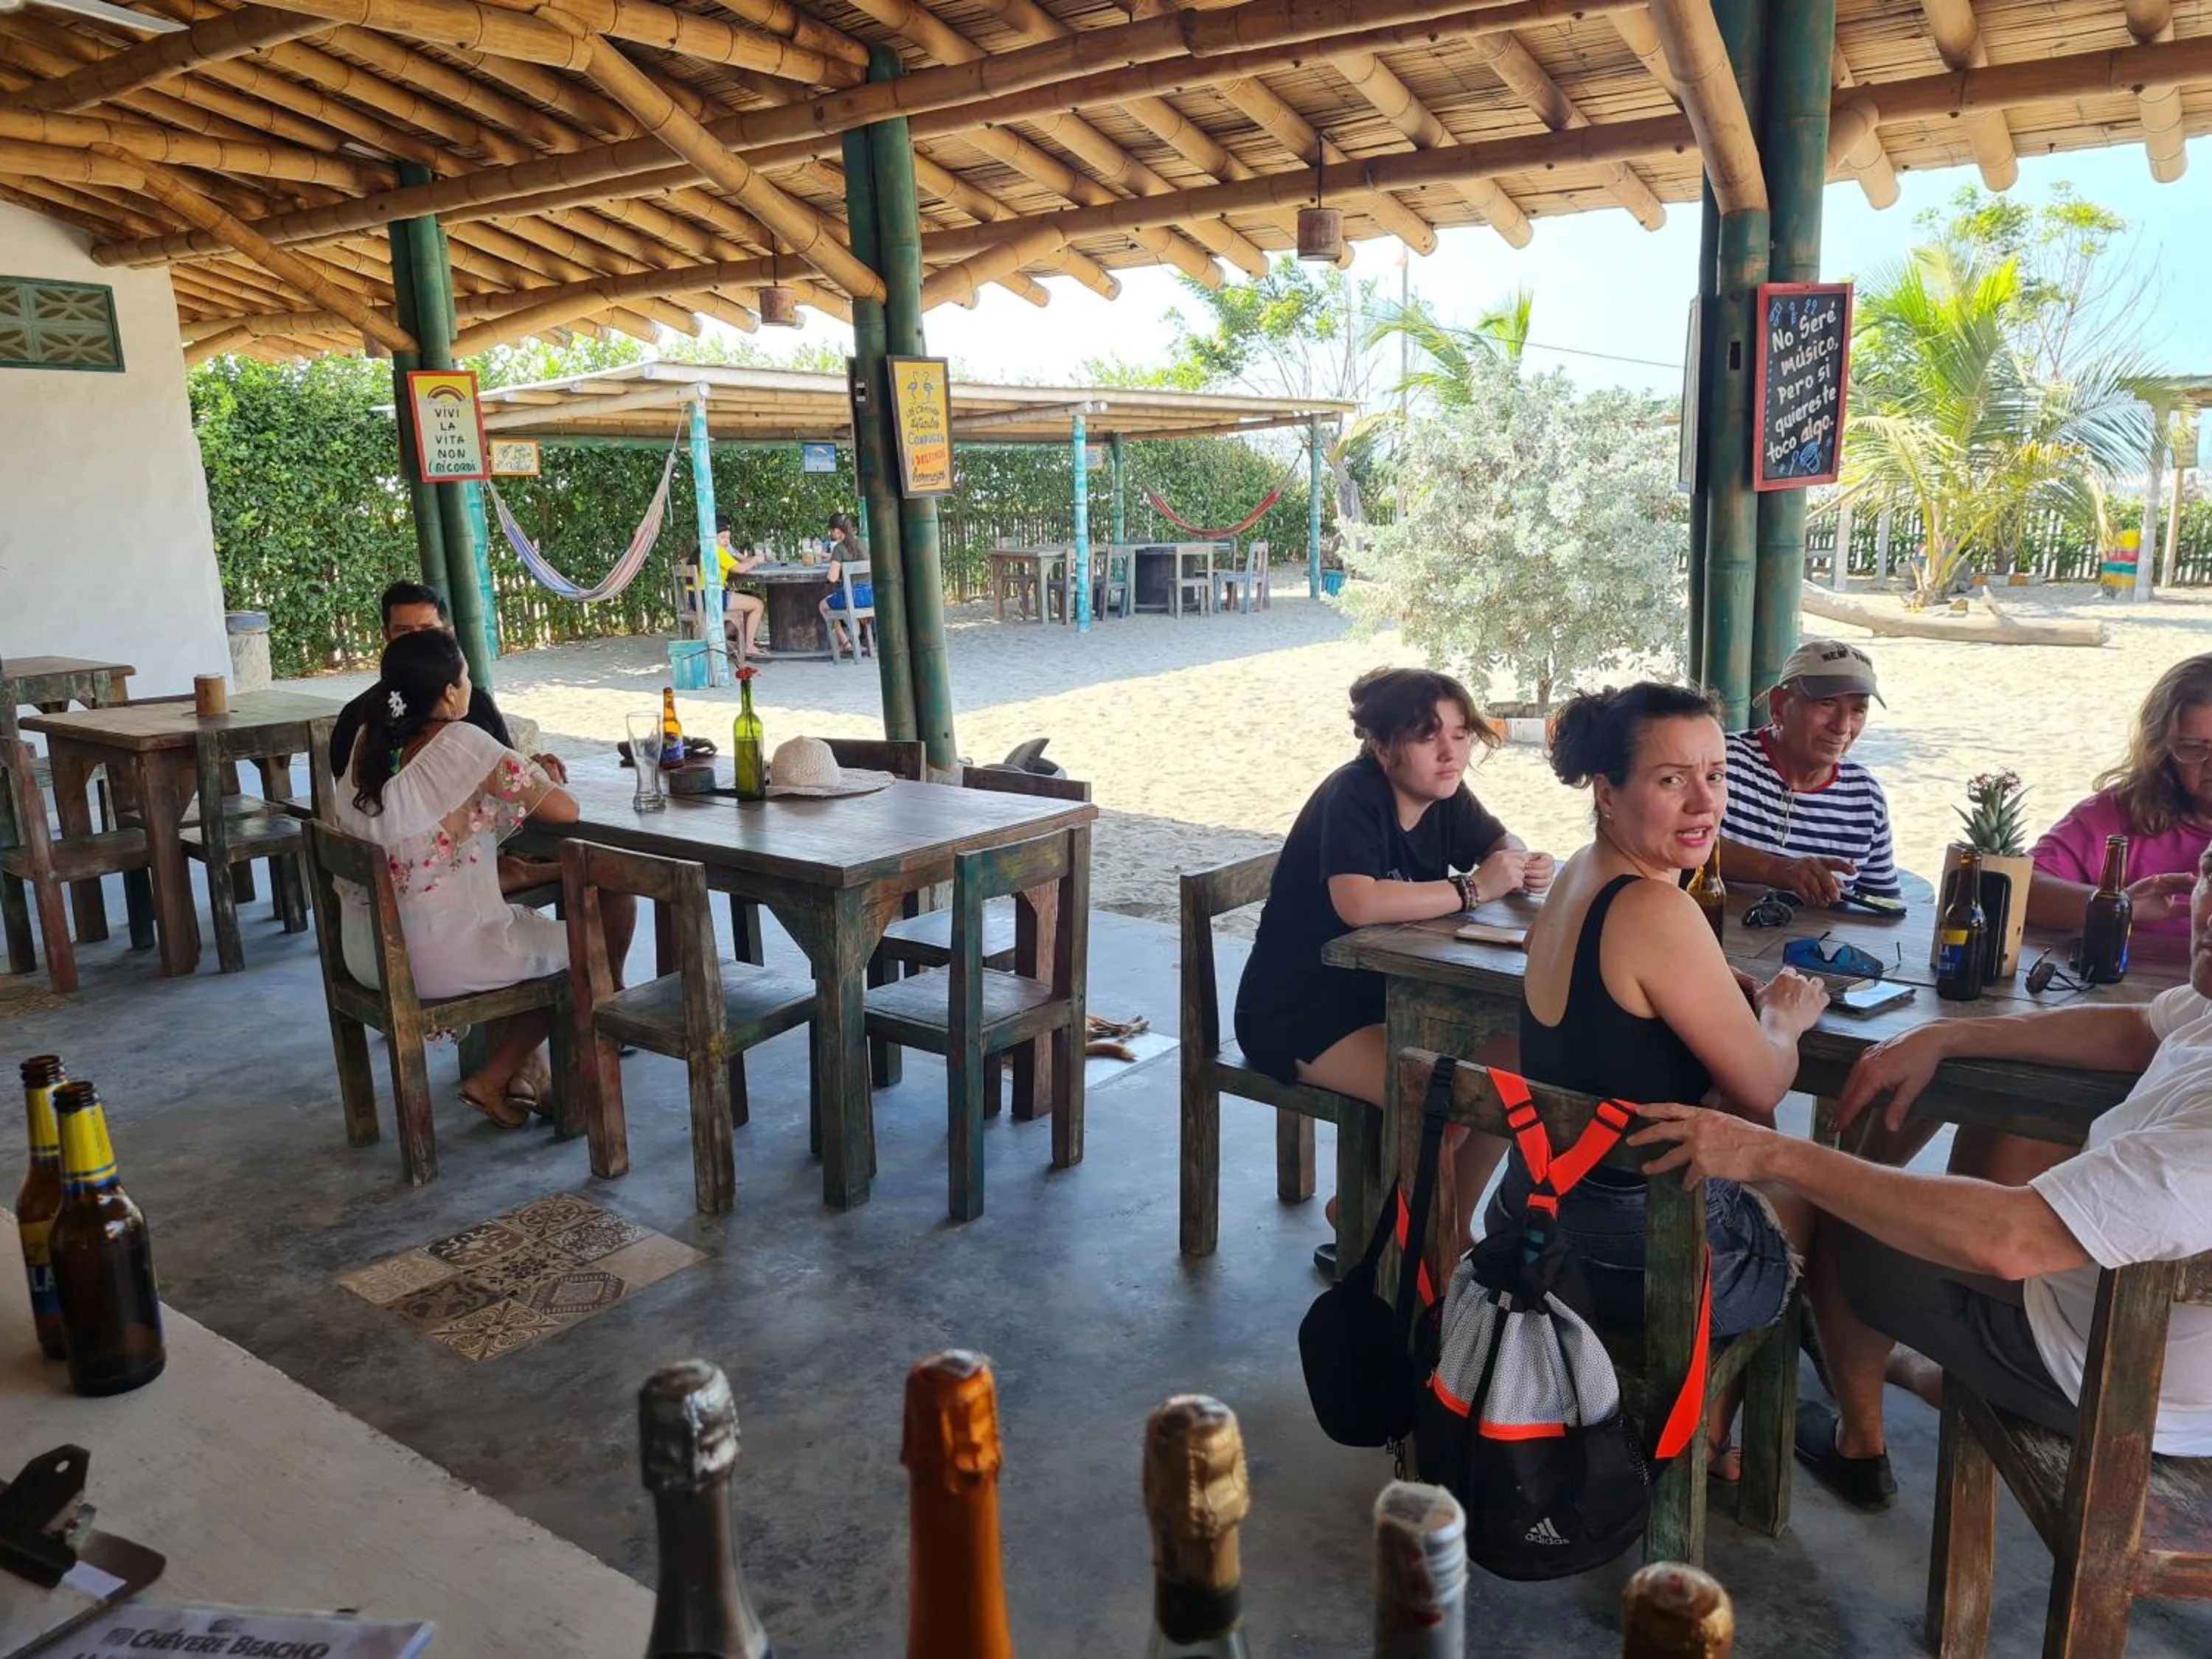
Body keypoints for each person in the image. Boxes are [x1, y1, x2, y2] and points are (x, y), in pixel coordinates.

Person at [1632, 843, 2212, 1510]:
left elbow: (2011, 1243)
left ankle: (1859, 1442)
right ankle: (1906, 1366)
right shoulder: (2206, 1005)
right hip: (2117, 1322)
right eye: (2210, 875)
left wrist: (1771, 1152)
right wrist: (1951, 1035)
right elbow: (2141, 1025)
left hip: (2124, 1380)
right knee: (1938, 1158)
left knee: (1844, 1203)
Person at [1511, 681, 1826, 1476]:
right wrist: (1784, 1018)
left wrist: (1717, 987)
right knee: (1818, 1189)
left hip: (1536, 1215)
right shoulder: (1657, 910)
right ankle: (1712, 1436)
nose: (1703, 803)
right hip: (1630, 1254)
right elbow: (1761, 1084)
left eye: (1716, 775)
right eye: (1671, 780)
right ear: (1608, 792)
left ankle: (1705, 1425)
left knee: (1754, 1151)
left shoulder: (1580, 873)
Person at [1233, 667, 1554, 1269]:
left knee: (1520, 1065)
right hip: (1298, 1014)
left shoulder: (1445, 794)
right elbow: (1357, 901)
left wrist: (1516, 858)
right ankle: (1409, 1240)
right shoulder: (1353, 795)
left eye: (1460, 735)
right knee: (1448, 1093)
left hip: (1382, 1001)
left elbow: (1497, 839)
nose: (1449, 751)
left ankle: (1425, 1218)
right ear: (1383, 748)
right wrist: (1471, 890)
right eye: (1428, 736)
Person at [329, 630, 594, 1127]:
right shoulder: (464, 742)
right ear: (451, 693)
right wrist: (536, 775)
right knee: (585, 944)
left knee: (528, 927)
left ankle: (514, 1075)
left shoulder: (370, 742)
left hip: (367, 953)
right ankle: (509, 1079)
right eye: (467, 675)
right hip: (432, 958)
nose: (471, 684)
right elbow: (563, 809)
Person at [2025, 653, 2212, 938]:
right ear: (2163, 751)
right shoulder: (2120, 813)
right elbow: (2020, 887)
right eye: (2194, 747)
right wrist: (2117, 905)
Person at [1715, 638, 1900, 908]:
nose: (1842, 727)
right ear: (1778, 706)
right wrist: (1774, 869)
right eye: (1826, 704)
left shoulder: (1865, 796)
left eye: (1858, 710)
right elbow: (1666, 844)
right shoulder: (1722, 762)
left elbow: (1884, 904)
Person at [819, 512, 872, 659]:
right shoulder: (863, 543)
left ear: (837, 531)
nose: (831, 534)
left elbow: (833, 577)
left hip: (853, 598)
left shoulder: (839, 549)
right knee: (837, 600)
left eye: (831, 531)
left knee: (823, 606)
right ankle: (864, 640)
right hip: (869, 596)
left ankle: (845, 642)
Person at [713, 519, 766, 667]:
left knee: (745, 604)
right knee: (757, 604)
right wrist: (755, 559)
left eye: (728, 538)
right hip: (713, 597)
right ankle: (749, 646)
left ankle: (721, 641)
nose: (726, 542)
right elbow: (740, 569)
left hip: (698, 597)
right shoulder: (718, 551)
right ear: (713, 537)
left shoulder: (704, 549)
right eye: (723, 538)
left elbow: (737, 564)